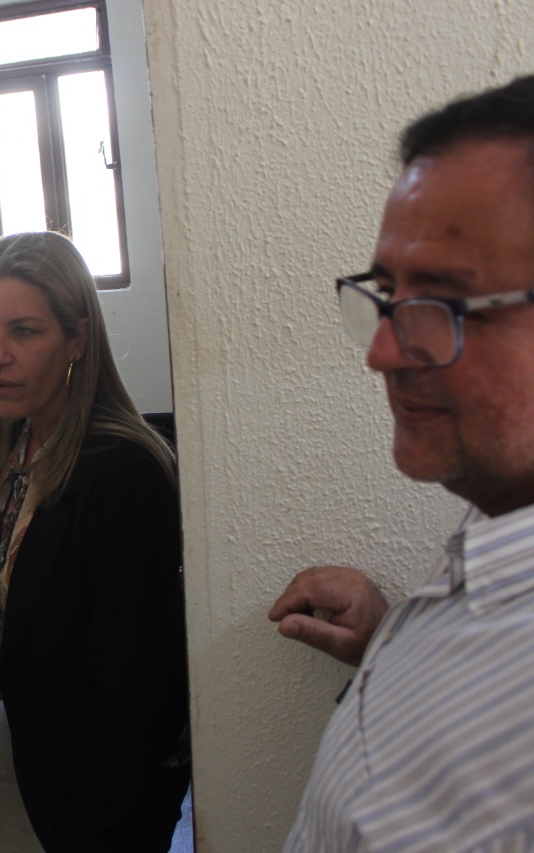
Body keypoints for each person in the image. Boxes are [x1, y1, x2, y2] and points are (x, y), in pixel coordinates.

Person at [269, 75, 534, 850]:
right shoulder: (499, 518)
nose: (381, 352)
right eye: (387, 293)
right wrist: (398, 641)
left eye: (443, 304)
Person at [0, 231, 190, 850]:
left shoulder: (123, 472)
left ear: (77, 338)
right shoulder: (19, 441)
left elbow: (133, 683)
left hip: (109, 781)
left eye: (24, 331)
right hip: (47, 742)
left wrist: (96, 825)